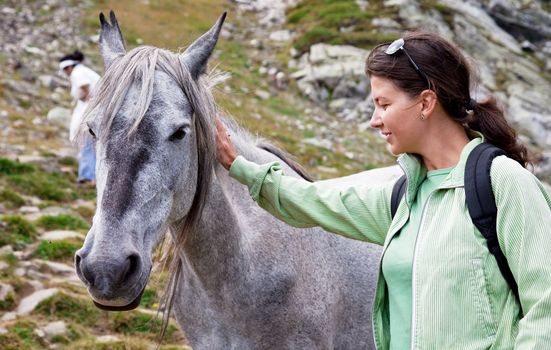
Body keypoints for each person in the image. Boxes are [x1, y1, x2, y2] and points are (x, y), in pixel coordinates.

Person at [215, 32, 551, 349]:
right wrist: (239, 165)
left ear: (425, 103)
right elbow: (313, 200)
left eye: (383, 104)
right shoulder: (404, 197)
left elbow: (545, 306)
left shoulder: (502, 183)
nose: (374, 120)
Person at [59, 50, 100, 185]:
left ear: (68, 67)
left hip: (89, 112)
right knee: (90, 145)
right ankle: (91, 176)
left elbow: (85, 86)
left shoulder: (78, 73)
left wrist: (90, 105)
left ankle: (87, 177)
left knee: (86, 143)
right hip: (95, 109)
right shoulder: (84, 71)